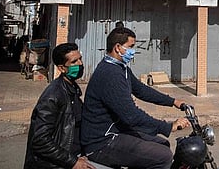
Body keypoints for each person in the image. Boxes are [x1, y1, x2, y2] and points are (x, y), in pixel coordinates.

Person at [81, 27, 190, 169]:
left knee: (163, 143)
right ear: (118, 47)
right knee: (163, 156)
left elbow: (140, 90)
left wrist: (173, 102)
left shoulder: (121, 68)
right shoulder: (110, 74)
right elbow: (131, 116)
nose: (133, 51)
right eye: (131, 46)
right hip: (102, 141)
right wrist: (168, 127)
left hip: (117, 130)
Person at [24, 43, 95, 169]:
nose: (79, 64)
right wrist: (73, 161)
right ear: (62, 69)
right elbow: (40, 140)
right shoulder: (53, 96)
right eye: (74, 62)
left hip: (76, 155)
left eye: (80, 59)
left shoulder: (72, 89)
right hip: (56, 163)